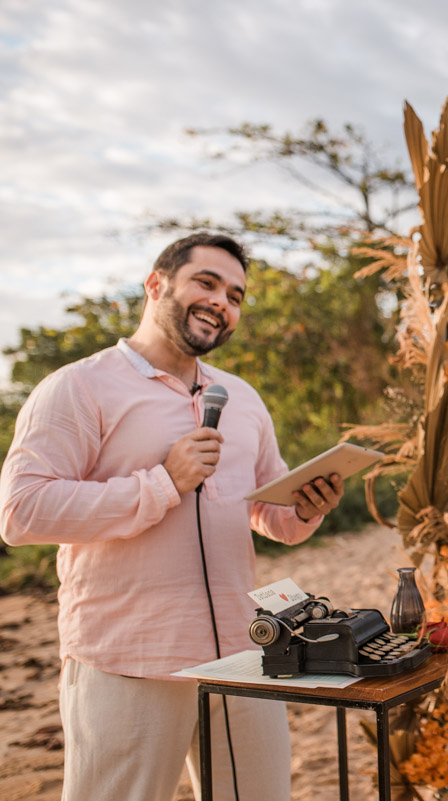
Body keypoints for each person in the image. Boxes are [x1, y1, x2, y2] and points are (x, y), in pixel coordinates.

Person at [0, 233, 345, 801]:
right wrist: (162, 483)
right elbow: (22, 511)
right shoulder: (77, 387)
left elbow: (267, 514)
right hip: (127, 658)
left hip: (246, 654)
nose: (222, 303)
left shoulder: (245, 398)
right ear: (156, 285)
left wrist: (306, 509)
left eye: (235, 295)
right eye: (206, 283)